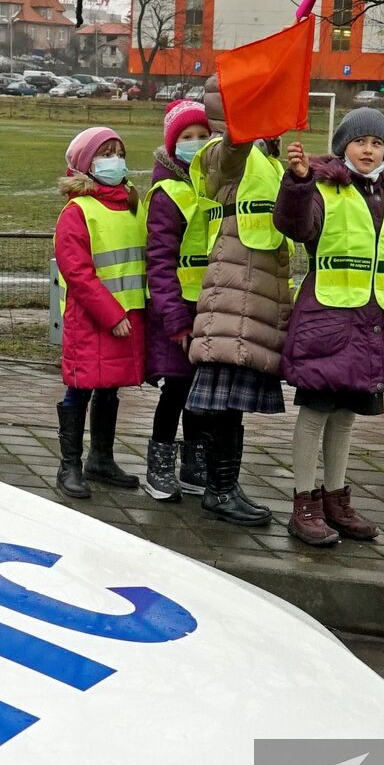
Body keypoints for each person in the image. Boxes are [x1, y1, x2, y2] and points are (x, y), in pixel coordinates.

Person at [273, 109, 384, 545]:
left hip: (372, 324)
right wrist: (298, 183)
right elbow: (294, 226)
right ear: (343, 147)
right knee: (316, 410)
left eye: (377, 143)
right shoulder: (324, 190)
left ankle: (336, 500)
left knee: (344, 416)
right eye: (360, 142)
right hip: (328, 318)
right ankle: (304, 502)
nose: (368, 149)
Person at [184, 76, 293, 527]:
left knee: (232, 403)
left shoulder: (268, 157)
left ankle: (225, 485)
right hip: (232, 293)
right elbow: (230, 154)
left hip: (256, 294)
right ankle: (219, 489)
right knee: (223, 399)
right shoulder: (221, 150)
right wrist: (241, 128)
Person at [52, 126, 147, 500]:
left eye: (117, 152)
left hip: (126, 318)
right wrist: (112, 314)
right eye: (104, 154)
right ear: (86, 165)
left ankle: (101, 459)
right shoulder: (77, 211)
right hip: (92, 319)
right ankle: (69, 465)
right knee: (80, 388)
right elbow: (77, 271)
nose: (114, 160)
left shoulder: (130, 205)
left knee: (109, 389)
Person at [142, 100, 212, 502]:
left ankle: (194, 464)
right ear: (173, 145)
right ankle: (160, 466)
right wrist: (174, 320)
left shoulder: (216, 183)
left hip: (213, 305)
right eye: (187, 138)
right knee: (177, 392)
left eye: (203, 136)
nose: (197, 143)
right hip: (179, 310)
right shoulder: (168, 193)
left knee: (203, 394)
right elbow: (160, 260)